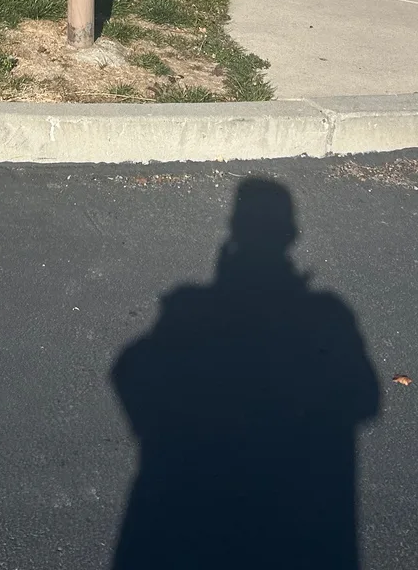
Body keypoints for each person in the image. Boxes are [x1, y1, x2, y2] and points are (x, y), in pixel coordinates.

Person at [111, 177, 380, 568]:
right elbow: (366, 400)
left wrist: (152, 426)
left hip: (188, 497)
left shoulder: (188, 308)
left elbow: (128, 368)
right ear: (291, 234)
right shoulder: (328, 316)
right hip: (299, 502)